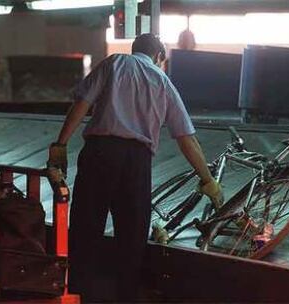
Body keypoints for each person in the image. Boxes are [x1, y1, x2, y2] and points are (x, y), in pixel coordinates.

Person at [47, 33, 223, 302]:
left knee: (86, 228)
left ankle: (79, 294)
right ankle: (126, 296)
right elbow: (186, 139)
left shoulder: (114, 63)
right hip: (136, 162)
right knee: (132, 237)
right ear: (159, 57)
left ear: (135, 49)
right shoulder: (163, 81)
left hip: (99, 153)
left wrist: (60, 144)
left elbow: (81, 105)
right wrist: (208, 179)